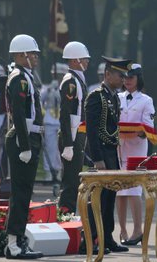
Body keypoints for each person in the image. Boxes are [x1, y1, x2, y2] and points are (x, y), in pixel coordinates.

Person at [82, 55, 130, 254]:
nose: (123, 80)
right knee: (97, 198)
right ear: (108, 74)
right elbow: (92, 131)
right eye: (120, 75)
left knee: (110, 196)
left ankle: (107, 237)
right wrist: (98, 159)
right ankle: (92, 238)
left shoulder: (112, 97)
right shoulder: (96, 96)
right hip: (100, 153)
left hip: (111, 152)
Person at [3, 34, 44, 259]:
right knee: (20, 193)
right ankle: (13, 244)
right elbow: (18, 114)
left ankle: (18, 240)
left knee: (25, 192)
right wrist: (25, 145)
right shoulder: (18, 77)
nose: (36, 58)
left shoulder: (26, 76)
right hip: (22, 139)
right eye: (33, 54)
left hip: (28, 137)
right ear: (22, 55)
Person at [116, 63, 155, 246]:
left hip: (137, 148)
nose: (127, 81)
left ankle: (137, 229)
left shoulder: (146, 100)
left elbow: (148, 127)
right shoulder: (117, 98)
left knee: (133, 189)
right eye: (124, 77)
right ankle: (122, 229)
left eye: (131, 77)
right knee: (119, 190)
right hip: (119, 147)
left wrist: (137, 131)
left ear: (138, 79)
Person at [58, 41, 90, 212]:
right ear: (75, 60)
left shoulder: (78, 80)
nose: (87, 62)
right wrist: (69, 144)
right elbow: (65, 114)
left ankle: (68, 214)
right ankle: (65, 215)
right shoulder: (71, 82)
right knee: (70, 182)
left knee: (74, 180)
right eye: (84, 59)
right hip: (71, 135)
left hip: (78, 134)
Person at [41, 62, 66, 187]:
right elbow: (40, 99)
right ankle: (49, 173)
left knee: (61, 148)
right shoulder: (47, 87)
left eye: (60, 75)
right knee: (50, 147)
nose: (58, 77)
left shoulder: (67, 87)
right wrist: (50, 89)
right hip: (50, 121)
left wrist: (58, 91)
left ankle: (61, 172)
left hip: (62, 121)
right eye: (55, 75)